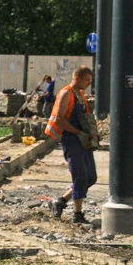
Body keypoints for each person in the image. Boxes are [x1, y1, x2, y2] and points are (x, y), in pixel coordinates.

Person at [44, 66, 98, 225]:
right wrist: (78, 133)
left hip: (83, 140)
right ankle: (77, 214)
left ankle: (60, 201)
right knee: (80, 176)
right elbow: (60, 119)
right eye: (87, 80)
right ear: (79, 78)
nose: (89, 83)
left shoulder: (80, 95)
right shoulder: (66, 93)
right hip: (71, 139)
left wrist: (89, 134)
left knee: (90, 177)